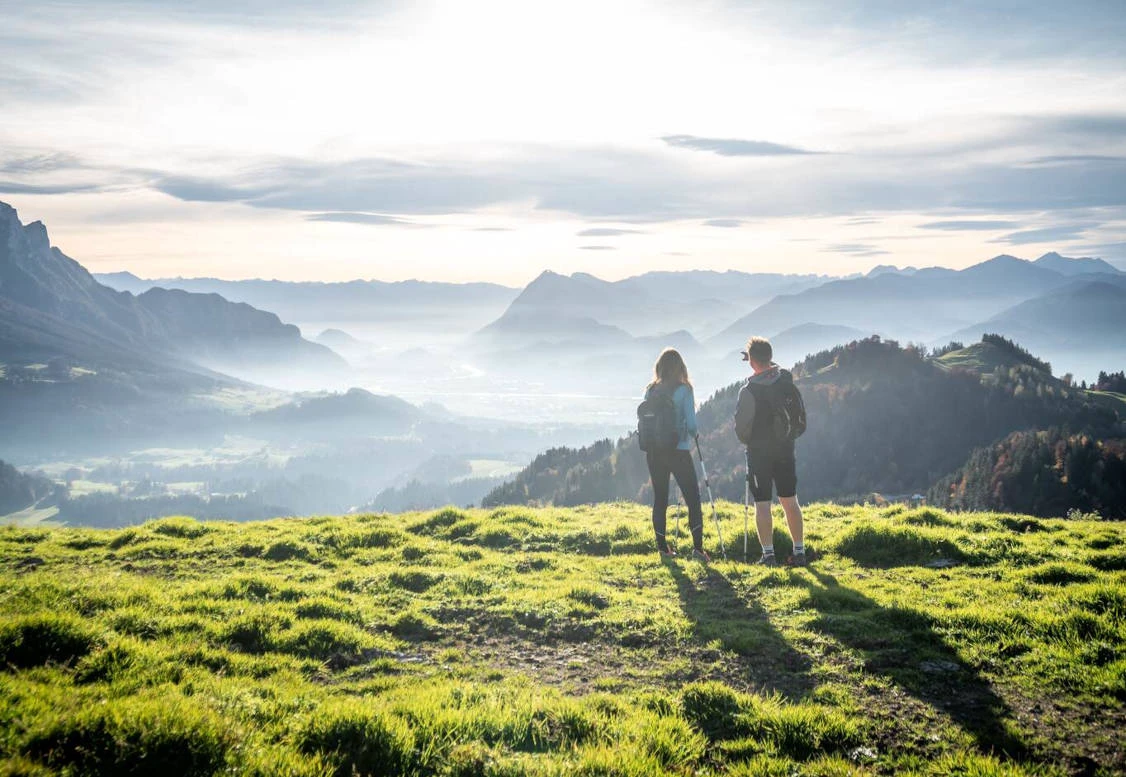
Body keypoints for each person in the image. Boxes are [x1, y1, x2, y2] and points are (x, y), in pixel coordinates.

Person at [733, 336, 806, 566]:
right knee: (790, 501)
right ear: (771, 357)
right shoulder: (785, 381)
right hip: (785, 448)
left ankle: (768, 555)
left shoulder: (749, 391)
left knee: (762, 504)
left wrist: (751, 441)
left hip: (759, 453)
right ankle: (799, 551)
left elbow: (741, 430)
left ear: (751, 361)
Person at [643, 348, 709, 561]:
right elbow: (691, 424)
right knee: (693, 499)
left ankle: (663, 549)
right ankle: (698, 550)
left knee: (660, 499)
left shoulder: (650, 390)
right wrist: (695, 434)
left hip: (654, 452)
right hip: (678, 450)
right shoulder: (684, 390)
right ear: (680, 367)